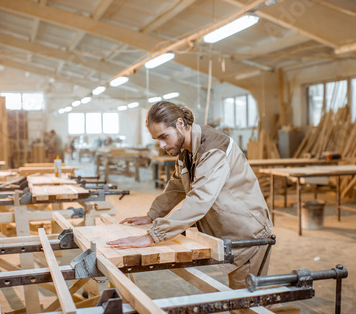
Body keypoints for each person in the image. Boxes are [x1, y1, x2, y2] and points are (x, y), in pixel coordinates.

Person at [107, 101, 272, 289]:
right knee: (245, 300)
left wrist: (154, 234)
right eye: (156, 139)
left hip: (248, 232)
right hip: (229, 228)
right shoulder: (187, 149)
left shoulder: (213, 149)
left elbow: (199, 201)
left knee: (247, 304)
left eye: (163, 137)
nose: (161, 145)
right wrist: (152, 215)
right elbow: (177, 185)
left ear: (179, 124)